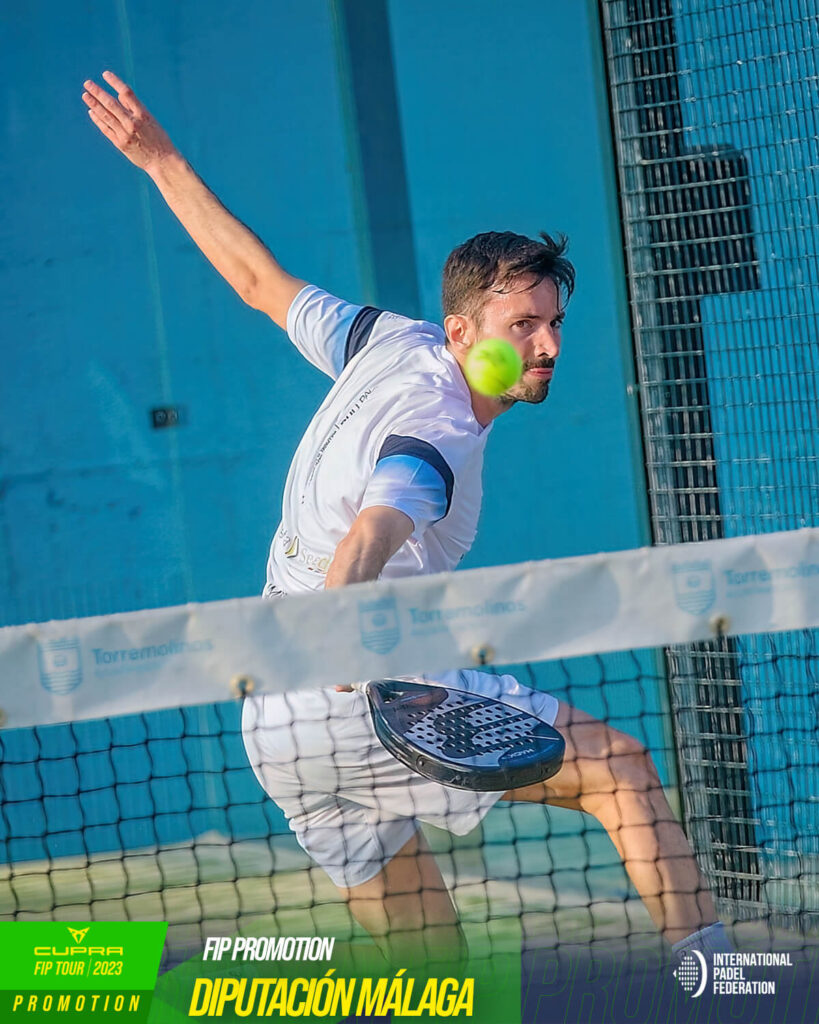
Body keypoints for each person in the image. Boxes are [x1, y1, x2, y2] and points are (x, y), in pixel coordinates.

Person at [83, 70, 732, 967]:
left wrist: (159, 160)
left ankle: (118, 984)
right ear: (462, 332)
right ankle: (731, 991)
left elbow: (257, 281)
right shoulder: (439, 431)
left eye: (553, 322)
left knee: (437, 979)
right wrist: (341, 646)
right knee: (620, 769)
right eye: (522, 324)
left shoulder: (385, 340)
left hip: (274, 723)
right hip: (361, 682)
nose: (546, 345)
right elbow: (370, 533)